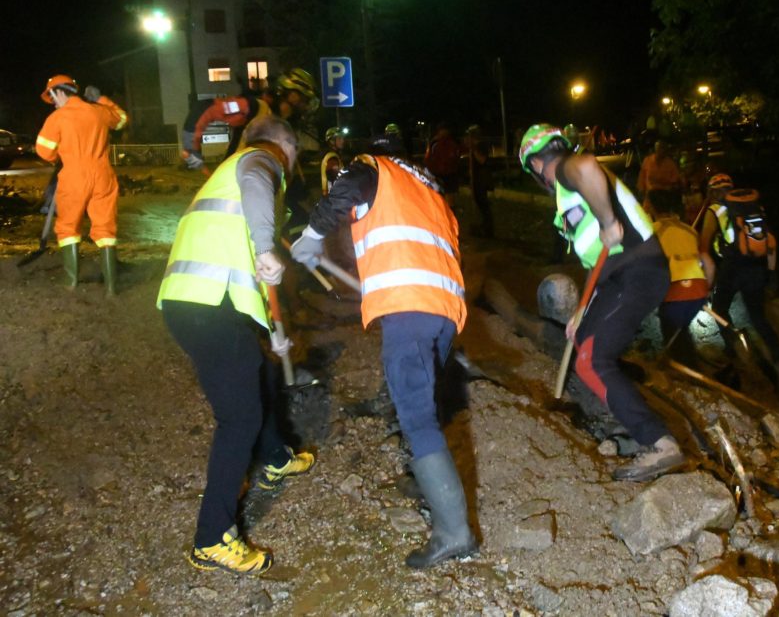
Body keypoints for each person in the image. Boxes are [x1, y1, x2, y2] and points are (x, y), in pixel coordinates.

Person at [289, 130, 479, 569]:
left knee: (416, 416)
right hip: (445, 307)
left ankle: (455, 534)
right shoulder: (429, 187)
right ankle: (430, 481)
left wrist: (313, 235)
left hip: (409, 306)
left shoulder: (373, 168)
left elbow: (347, 188)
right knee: (423, 401)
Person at [157, 115, 316, 575]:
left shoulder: (232, 177)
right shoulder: (256, 161)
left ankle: (274, 458)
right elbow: (259, 241)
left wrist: (273, 331)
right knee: (239, 417)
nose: (292, 164)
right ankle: (211, 538)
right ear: (283, 145)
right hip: (203, 306)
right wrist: (268, 247)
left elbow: (247, 269)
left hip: (204, 303)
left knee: (260, 371)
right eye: (295, 154)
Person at [519, 124, 685, 482]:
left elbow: (587, 167)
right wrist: (582, 310)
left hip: (637, 270)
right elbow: (597, 260)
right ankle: (622, 413)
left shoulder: (565, 169)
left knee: (591, 360)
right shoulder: (570, 195)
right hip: (617, 278)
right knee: (584, 343)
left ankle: (659, 442)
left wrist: (610, 222)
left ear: (534, 163)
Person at [34, 75, 128, 295]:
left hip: (74, 176)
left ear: (59, 92)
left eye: (52, 97)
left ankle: (71, 282)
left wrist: (61, 155)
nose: (53, 102)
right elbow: (122, 119)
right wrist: (103, 99)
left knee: (68, 228)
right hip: (103, 174)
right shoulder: (98, 111)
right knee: (106, 229)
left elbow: (44, 151)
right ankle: (111, 288)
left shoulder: (58, 118)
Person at [698, 172, 779, 390]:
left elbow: (703, 246)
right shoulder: (754, 209)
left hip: (731, 268)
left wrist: (706, 275)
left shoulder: (714, 211)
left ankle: (734, 350)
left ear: (712, 192)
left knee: (719, 310)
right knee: (758, 316)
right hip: (756, 268)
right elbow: (769, 243)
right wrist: (771, 273)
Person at [180, 67, 319, 171]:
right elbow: (206, 108)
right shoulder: (252, 107)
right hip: (233, 191)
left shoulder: (287, 130)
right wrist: (192, 147)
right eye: (303, 98)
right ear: (288, 93)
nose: (305, 105)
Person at [647, 189, 711, 365]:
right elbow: (707, 261)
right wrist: (708, 287)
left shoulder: (652, 232)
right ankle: (689, 363)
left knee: (672, 331)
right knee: (680, 331)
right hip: (698, 290)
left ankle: (685, 374)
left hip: (674, 291)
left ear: (652, 208)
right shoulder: (689, 230)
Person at [464, 124, 494, 237]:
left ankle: (488, 227)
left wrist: (473, 149)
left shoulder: (481, 146)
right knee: (479, 202)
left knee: (483, 203)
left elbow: (481, 160)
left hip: (482, 179)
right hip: (476, 179)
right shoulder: (475, 146)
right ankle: (483, 226)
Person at [636, 139, 683, 208]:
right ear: (656, 149)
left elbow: (676, 181)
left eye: (663, 148)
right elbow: (642, 178)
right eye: (660, 148)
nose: (662, 150)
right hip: (650, 197)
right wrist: (641, 191)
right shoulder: (648, 161)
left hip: (665, 198)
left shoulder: (670, 164)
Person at [423, 122, 461, 196]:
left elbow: (428, 157)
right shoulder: (452, 141)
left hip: (442, 172)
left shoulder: (436, 142)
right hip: (446, 172)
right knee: (447, 194)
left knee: (442, 194)